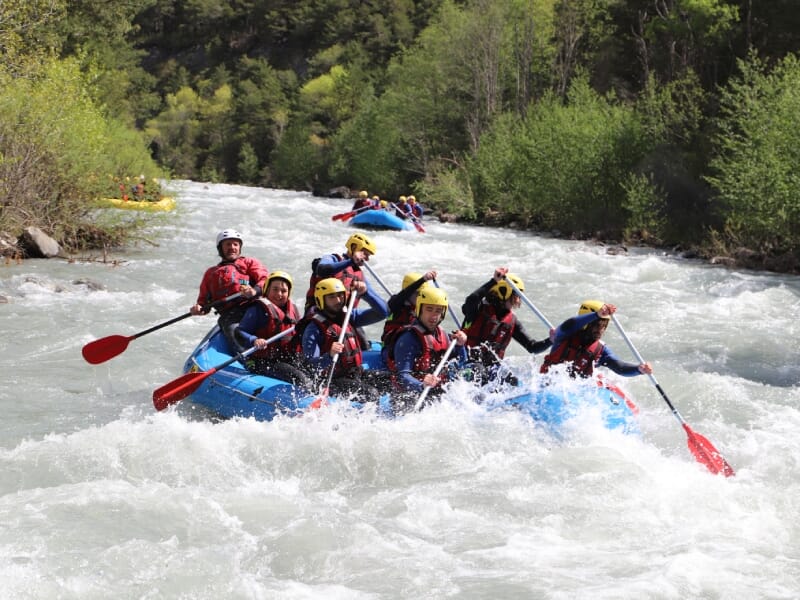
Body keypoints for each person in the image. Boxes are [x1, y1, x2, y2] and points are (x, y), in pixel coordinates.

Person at [301, 277, 390, 402]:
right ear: (321, 300)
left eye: (340, 295)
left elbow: (383, 312)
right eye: (332, 297)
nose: (338, 300)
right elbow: (310, 366)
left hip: (355, 374)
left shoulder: (349, 316)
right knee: (371, 394)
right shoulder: (314, 328)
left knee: (392, 380)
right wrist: (330, 355)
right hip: (331, 381)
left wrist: (366, 294)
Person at [461, 267, 552, 385]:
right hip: (467, 363)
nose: (518, 301)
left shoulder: (512, 322)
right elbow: (471, 300)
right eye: (517, 295)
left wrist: (552, 340)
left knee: (513, 382)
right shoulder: (477, 309)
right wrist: (493, 281)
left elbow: (532, 347)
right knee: (480, 373)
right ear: (504, 292)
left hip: (492, 367)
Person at [391, 287, 467, 412]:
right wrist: (421, 385)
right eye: (429, 309)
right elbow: (402, 376)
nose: (434, 315)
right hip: (409, 396)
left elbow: (461, 365)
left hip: (434, 392)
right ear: (419, 309)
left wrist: (460, 345)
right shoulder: (408, 338)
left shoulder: (444, 336)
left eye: (438, 310)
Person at [190, 229, 268, 352]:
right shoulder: (211, 273)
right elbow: (204, 303)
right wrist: (198, 308)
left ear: (240, 247)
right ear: (220, 248)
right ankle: (248, 358)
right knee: (230, 326)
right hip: (231, 314)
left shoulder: (249, 263)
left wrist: (254, 291)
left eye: (235, 244)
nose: (232, 247)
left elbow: (266, 280)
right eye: (228, 244)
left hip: (253, 306)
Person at [234, 270, 311, 388]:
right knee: (300, 378)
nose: (279, 294)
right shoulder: (257, 309)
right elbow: (239, 332)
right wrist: (254, 340)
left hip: (286, 357)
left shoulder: (293, 310)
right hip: (263, 361)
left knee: (311, 372)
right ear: (267, 290)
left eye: (284, 291)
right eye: (275, 289)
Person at [541, 300, 653, 378]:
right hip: (549, 384)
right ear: (585, 323)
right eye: (597, 325)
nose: (601, 330)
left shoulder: (601, 349)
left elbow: (619, 367)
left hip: (577, 392)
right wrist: (596, 315)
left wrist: (639, 369)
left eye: (604, 326)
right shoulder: (564, 334)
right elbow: (570, 323)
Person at [303, 232, 377, 315]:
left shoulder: (359, 275)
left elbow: (382, 309)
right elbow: (322, 270)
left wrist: (365, 293)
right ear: (353, 247)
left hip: (343, 317)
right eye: (365, 254)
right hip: (318, 313)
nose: (367, 259)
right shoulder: (332, 259)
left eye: (368, 256)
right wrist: (351, 261)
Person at [381, 270, 437, 366]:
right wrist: (423, 280)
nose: (420, 297)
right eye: (417, 294)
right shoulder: (396, 303)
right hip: (391, 348)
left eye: (422, 294)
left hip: (413, 345)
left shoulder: (421, 308)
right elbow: (404, 294)